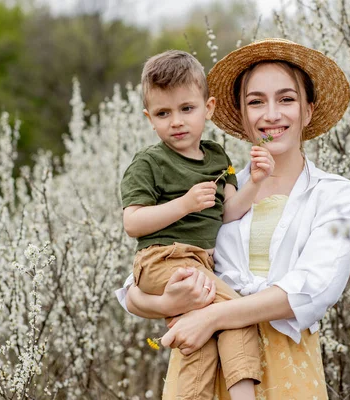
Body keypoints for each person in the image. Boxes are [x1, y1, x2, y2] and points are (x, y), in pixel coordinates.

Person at [116, 39, 350, 399]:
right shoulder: (219, 185)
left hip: (286, 366)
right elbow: (136, 286)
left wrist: (213, 315)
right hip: (203, 358)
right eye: (256, 102)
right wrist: (167, 304)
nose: (271, 114)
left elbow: (313, 288)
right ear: (242, 115)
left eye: (287, 99)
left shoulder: (334, 194)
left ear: (308, 111)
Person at [119, 50, 277, 400]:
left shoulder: (219, 158)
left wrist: (256, 182)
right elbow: (133, 222)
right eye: (163, 113)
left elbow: (229, 212)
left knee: (199, 339)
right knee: (234, 313)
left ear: (209, 108)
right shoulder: (149, 163)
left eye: (186, 109)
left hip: (199, 264)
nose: (176, 121)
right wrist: (184, 204)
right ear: (149, 118)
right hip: (164, 259)